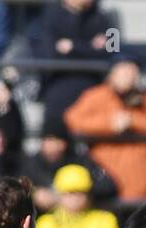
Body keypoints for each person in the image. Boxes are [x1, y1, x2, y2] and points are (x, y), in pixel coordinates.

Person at [64, 58, 146, 201]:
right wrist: (110, 124)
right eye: (124, 72)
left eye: (132, 73)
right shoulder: (96, 95)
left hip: (143, 187)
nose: (129, 77)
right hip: (106, 185)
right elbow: (73, 120)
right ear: (111, 74)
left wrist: (132, 120)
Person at [37, 0, 115, 131]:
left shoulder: (104, 17)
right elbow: (49, 55)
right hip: (59, 86)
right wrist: (92, 47)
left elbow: (114, 51)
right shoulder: (50, 16)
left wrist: (73, 46)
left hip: (92, 87)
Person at [22, 114, 117, 212]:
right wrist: (33, 194)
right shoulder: (31, 164)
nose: (54, 146)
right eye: (49, 139)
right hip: (42, 222)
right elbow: (14, 187)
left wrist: (79, 193)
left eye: (58, 140)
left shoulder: (79, 161)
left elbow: (108, 185)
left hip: (80, 221)